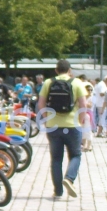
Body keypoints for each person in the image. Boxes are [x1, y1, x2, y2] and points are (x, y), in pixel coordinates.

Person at [37, 59, 88, 200]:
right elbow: (83, 104)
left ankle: (58, 191)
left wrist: (48, 118)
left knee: (56, 159)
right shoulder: (76, 82)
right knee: (76, 155)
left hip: (53, 126)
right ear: (70, 70)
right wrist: (80, 120)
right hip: (72, 125)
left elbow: (41, 103)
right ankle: (69, 178)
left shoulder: (48, 82)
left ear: (56, 70)